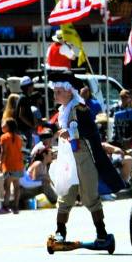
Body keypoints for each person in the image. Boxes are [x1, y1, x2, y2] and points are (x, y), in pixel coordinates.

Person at [48, 71, 111, 246]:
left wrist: (72, 132)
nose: (55, 94)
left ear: (69, 91)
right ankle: (60, 231)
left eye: (59, 91)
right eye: (55, 91)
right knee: (65, 193)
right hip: (68, 158)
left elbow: (90, 130)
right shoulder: (62, 110)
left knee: (90, 195)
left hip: (83, 157)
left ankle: (102, 232)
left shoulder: (80, 108)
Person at [0, 118, 25, 213]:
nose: (2, 126)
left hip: (9, 165)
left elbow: (3, 152)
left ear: (8, 126)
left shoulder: (4, 137)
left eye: (4, 124)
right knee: (17, 186)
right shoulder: (19, 138)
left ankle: (5, 206)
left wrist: (0, 164)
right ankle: (16, 207)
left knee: (7, 186)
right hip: (19, 165)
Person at [15, 78, 40, 147]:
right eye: (32, 85)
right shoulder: (23, 98)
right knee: (26, 151)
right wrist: (31, 125)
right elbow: (21, 115)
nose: (33, 87)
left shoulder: (25, 97)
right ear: (29, 87)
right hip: (24, 130)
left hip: (25, 130)